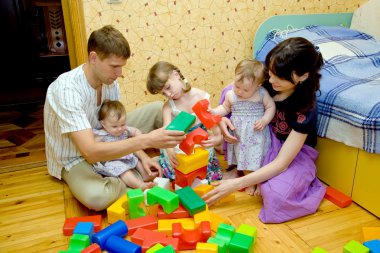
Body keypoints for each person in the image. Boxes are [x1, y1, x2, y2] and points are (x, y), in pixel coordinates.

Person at [44, 25, 185, 211]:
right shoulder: (66, 89)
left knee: (158, 109)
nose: (120, 74)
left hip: (108, 132)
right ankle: (129, 176)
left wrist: (143, 157)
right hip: (76, 156)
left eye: (122, 66)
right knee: (97, 198)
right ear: (93, 58)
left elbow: (120, 129)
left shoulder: (110, 82)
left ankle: (137, 170)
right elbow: (90, 151)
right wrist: (146, 141)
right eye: (114, 67)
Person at [203, 37, 327, 223]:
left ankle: (250, 174)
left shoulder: (305, 109)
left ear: (303, 76)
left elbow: (282, 163)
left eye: (281, 77)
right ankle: (244, 167)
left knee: (277, 196)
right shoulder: (267, 79)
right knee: (231, 90)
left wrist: (236, 184)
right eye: (271, 72)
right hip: (258, 137)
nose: (273, 80)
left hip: (290, 153)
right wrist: (221, 121)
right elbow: (232, 95)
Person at [146, 61, 223, 182]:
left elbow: (214, 126)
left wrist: (217, 139)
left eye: (168, 87)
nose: (168, 94)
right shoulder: (168, 107)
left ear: (176, 75)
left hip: (199, 143)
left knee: (203, 173)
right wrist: (170, 151)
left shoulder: (202, 96)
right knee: (178, 167)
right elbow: (166, 134)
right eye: (163, 93)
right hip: (178, 144)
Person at [211, 59, 275, 195]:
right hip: (240, 136)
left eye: (245, 89)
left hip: (257, 134)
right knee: (243, 158)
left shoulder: (262, 94)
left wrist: (264, 120)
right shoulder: (231, 95)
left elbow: (271, 107)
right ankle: (249, 181)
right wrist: (214, 112)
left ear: (258, 85)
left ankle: (259, 182)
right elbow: (224, 108)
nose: (239, 91)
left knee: (259, 158)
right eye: (237, 86)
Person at [93, 100, 159, 190]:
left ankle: (146, 175)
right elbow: (92, 144)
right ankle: (139, 185)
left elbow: (134, 131)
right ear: (103, 124)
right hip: (113, 161)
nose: (119, 129)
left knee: (137, 161)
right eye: (114, 126)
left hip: (127, 155)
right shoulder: (102, 134)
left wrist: (141, 137)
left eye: (122, 124)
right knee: (124, 172)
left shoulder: (124, 129)